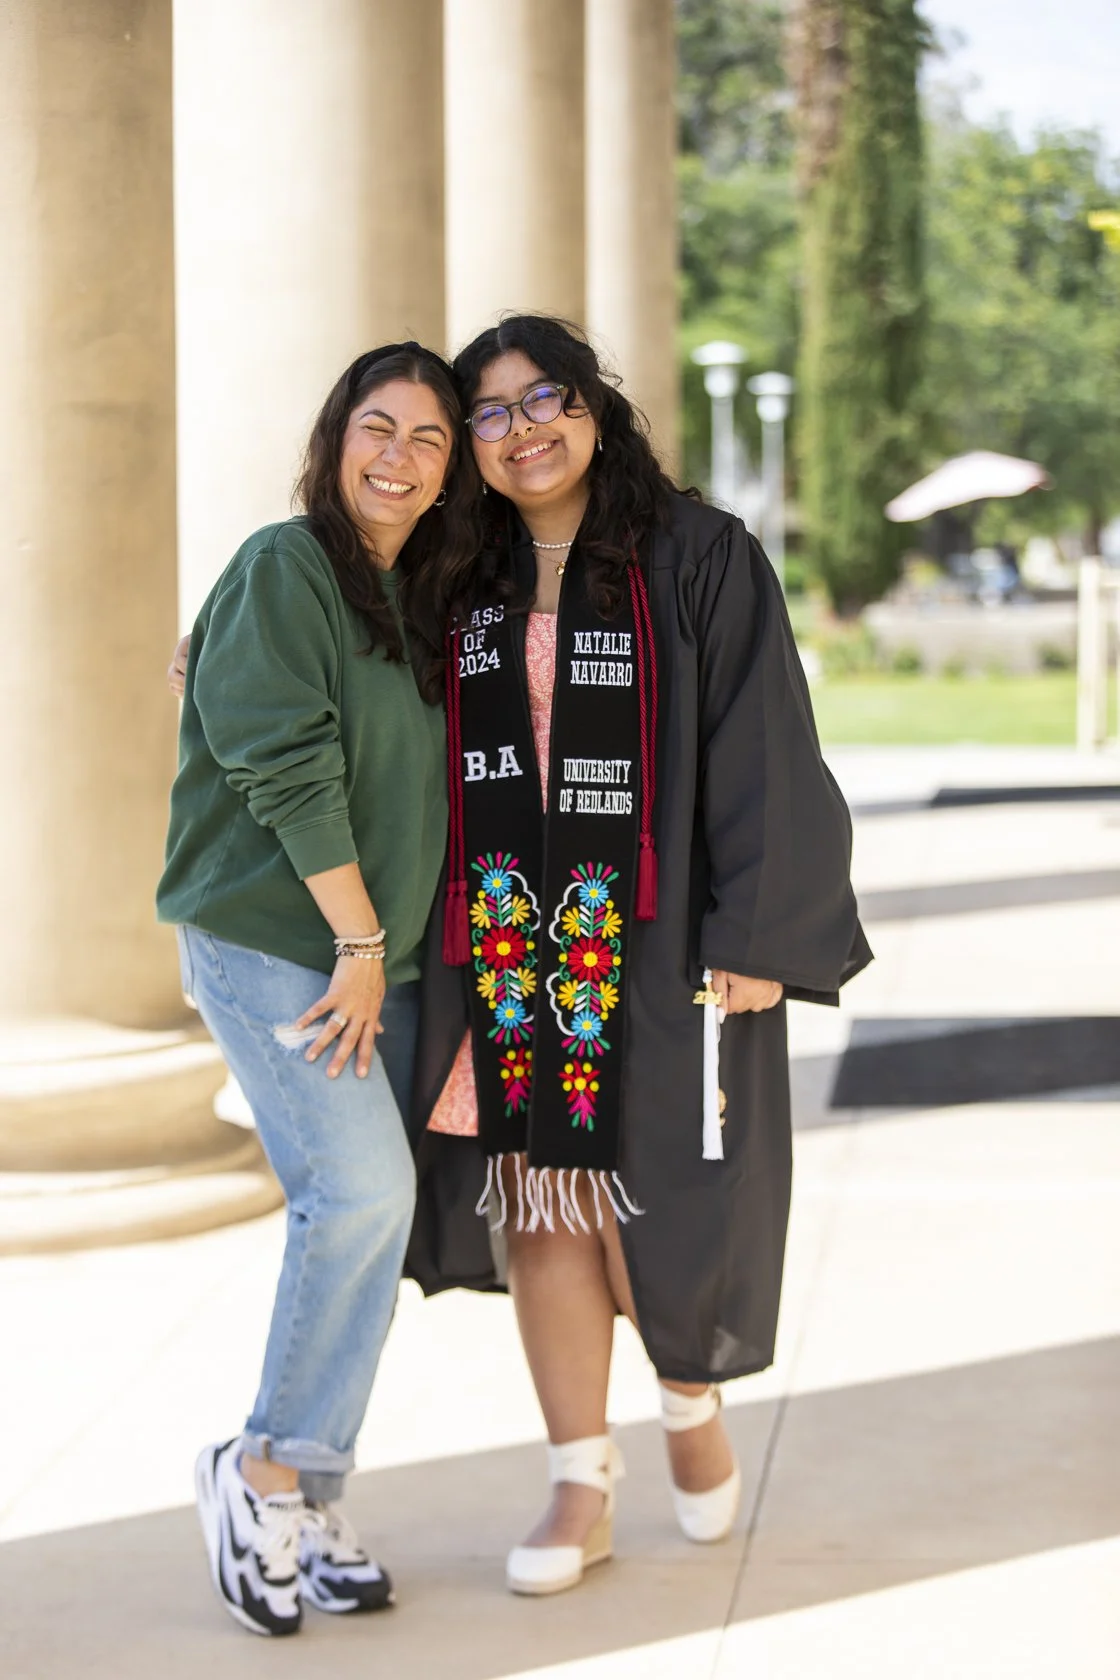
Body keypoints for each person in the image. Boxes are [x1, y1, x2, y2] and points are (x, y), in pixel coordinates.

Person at [406, 314, 871, 1597]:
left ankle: (686, 1399)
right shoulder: (459, 573)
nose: (520, 430)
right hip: (511, 942)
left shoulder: (695, 554)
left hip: (657, 941)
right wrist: (216, 652)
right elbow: (349, 663)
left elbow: (763, 740)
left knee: (662, 1196)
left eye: (542, 398)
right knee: (544, 1203)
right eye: (488, 412)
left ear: (593, 406)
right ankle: (579, 1479)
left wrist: (756, 932)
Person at [157, 343, 478, 1637]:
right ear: (335, 438)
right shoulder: (286, 566)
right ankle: (263, 1473)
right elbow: (286, 763)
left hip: (368, 957)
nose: (398, 456)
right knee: (361, 1194)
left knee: (367, 1221)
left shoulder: (421, 598)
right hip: (279, 940)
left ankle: (312, 1485)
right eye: (376, 427)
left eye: (428, 438)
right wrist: (356, 943)